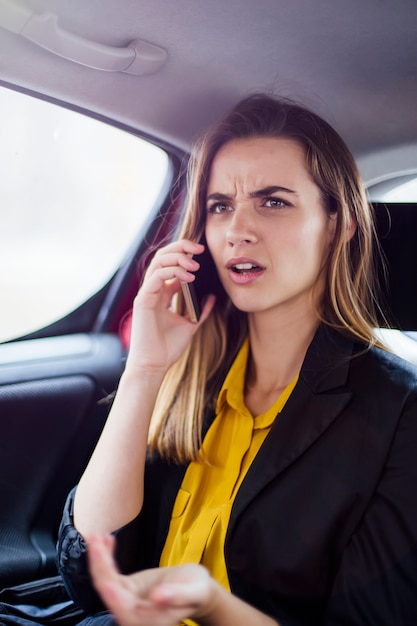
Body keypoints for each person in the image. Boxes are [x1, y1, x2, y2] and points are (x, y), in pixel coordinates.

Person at [57, 94, 417, 626]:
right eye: (220, 205)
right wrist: (144, 372)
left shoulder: (399, 412)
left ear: (339, 224)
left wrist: (210, 604)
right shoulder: (194, 372)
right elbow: (90, 576)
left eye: (273, 202)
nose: (236, 229)